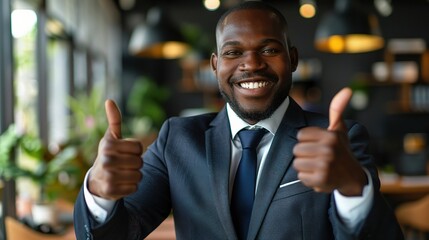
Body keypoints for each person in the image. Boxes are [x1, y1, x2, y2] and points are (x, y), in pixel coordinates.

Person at [74, 1, 404, 239]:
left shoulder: (338, 141)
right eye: (234, 52)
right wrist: (99, 193)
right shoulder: (177, 139)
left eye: (269, 50)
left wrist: (351, 188)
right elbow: (116, 233)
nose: (251, 64)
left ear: (292, 59)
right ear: (215, 65)